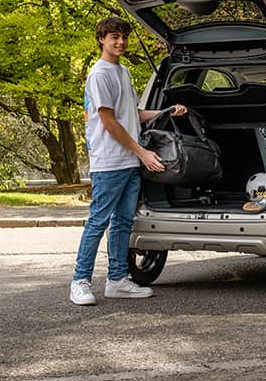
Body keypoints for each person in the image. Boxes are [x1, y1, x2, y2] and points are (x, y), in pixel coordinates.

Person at [70, 16, 187, 305]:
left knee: (123, 222)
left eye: (123, 37)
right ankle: (80, 281)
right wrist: (142, 152)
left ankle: (118, 280)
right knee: (98, 222)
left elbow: (131, 115)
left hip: (129, 160)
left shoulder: (121, 72)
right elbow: (109, 122)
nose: (120, 42)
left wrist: (165, 112)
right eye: (114, 37)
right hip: (110, 161)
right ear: (101, 39)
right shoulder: (100, 74)